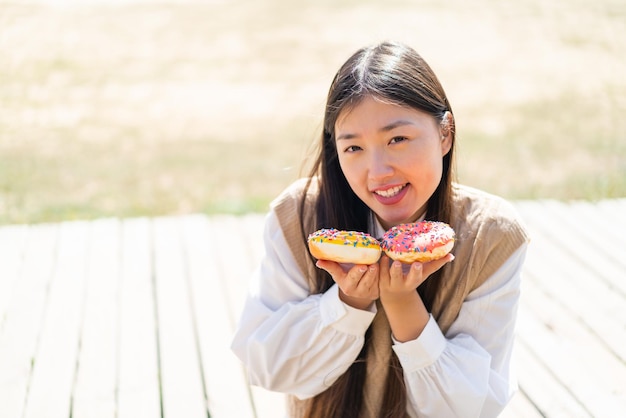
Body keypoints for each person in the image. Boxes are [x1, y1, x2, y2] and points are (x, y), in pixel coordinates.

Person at [231, 40, 530, 418]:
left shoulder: (492, 236)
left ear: (445, 135)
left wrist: (403, 303)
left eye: (397, 139)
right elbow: (268, 368)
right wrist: (348, 302)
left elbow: (471, 408)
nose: (378, 172)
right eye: (353, 148)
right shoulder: (299, 218)